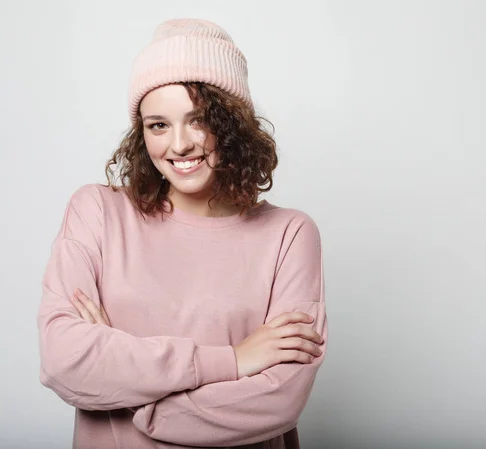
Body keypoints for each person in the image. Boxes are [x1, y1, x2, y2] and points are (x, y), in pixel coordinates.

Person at [37, 18, 327, 449]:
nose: (179, 145)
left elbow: (279, 398)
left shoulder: (288, 234)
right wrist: (233, 361)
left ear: (232, 126)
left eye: (198, 121)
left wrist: (129, 398)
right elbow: (64, 361)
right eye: (158, 125)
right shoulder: (97, 212)